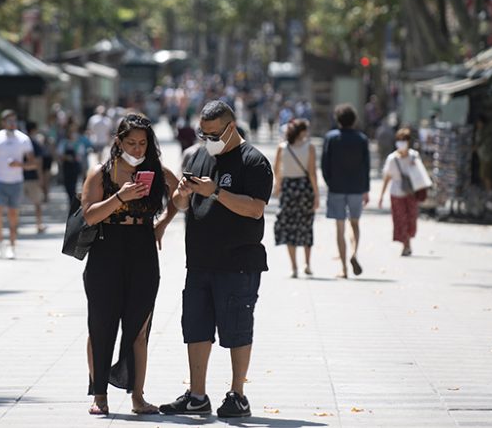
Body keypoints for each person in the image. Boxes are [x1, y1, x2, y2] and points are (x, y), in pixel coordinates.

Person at [160, 100, 273, 419]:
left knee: (237, 328)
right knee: (195, 328)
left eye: (212, 133)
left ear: (231, 128)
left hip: (238, 262)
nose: (207, 139)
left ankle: (238, 395)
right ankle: (197, 395)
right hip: (199, 261)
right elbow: (182, 204)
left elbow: (255, 209)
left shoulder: (254, 161)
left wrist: (216, 193)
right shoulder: (198, 156)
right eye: (203, 132)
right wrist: (182, 195)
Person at [80, 113, 179, 416]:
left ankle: (137, 396)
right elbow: (89, 216)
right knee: (101, 324)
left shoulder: (155, 171)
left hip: (142, 250)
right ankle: (100, 394)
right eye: (131, 143)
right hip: (106, 250)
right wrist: (120, 198)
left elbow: (179, 194)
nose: (137, 150)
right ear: (118, 142)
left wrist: (163, 223)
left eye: (143, 144)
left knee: (139, 327)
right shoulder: (101, 173)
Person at [321, 104, 371, 277]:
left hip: (337, 187)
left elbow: (324, 164)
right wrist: (366, 189)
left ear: (338, 120)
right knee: (355, 223)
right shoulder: (362, 139)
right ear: (354, 120)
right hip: (357, 187)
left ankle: (343, 268)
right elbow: (366, 166)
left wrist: (330, 182)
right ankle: (354, 253)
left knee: (339, 227)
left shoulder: (331, 138)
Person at [0, 110, 36, 259]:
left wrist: (20, 165)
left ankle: (12, 246)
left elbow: (32, 163)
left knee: (13, 215)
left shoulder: (23, 139)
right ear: (3, 122)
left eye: (14, 120)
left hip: (16, 182)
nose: (12, 123)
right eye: (9, 121)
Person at [272, 118, 318, 278]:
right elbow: (312, 173)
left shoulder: (282, 147)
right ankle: (307, 263)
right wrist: (316, 195)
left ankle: (294, 267)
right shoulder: (310, 148)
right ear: (302, 131)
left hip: (288, 188)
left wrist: (277, 186)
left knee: (289, 226)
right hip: (305, 188)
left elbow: (276, 169)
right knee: (306, 225)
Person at [377, 127, 423, 257]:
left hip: (411, 193)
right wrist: (381, 195)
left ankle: (407, 242)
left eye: (404, 140)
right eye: (399, 140)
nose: (401, 143)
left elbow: (420, 174)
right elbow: (387, 177)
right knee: (401, 220)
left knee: (411, 219)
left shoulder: (414, 156)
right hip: (396, 193)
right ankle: (406, 244)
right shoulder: (392, 158)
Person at [57, 120, 92, 209]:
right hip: (66, 166)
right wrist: (66, 157)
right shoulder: (64, 142)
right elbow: (59, 154)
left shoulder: (79, 143)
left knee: (74, 183)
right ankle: (71, 199)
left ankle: (73, 201)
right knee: (67, 184)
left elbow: (81, 154)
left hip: (75, 166)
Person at [23, 121, 47, 234]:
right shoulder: (35, 143)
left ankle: (15, 225)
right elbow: (38, 162)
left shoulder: (20, 142)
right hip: (32, 177)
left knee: (16, 204)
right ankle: (39, 224)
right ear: (34, 130)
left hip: (18, 177)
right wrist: (41, 178)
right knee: (37, 203)